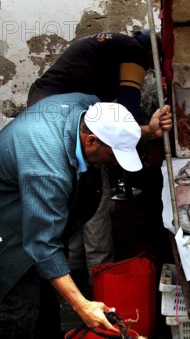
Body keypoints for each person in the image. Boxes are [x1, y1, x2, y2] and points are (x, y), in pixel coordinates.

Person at [0, 93, 169, 338]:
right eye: (114, 156)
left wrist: (147, 132)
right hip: (7, 224)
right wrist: (83, 306)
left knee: (47, 303)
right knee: (19, 309)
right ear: (90, 142)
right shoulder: (49, 170)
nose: (116, 163)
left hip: (28, 195)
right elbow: (42, 245)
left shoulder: (87, 107)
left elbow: (111, 135)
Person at [26, 30, 169, 281]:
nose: (149, 72)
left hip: (45, 106)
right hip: (60, 118)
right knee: (97, 198)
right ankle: (101, 279)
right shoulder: (135, 53)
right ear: (152, 54)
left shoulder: (112, 43)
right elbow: (128, 110)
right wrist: (146, 133)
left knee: (75, 195)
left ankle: (75, 268)